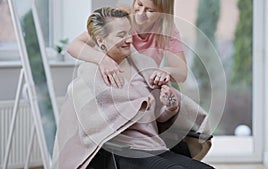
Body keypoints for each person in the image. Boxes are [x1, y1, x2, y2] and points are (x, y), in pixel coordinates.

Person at [52, 7, 213, 169]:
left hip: (154, 146)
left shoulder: (144, 67)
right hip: (125, 151)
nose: (129, 39)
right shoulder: (89, 75)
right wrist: (140, 104)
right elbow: (95, 123)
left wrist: (171, 107)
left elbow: (157, 119)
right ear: (101, 41)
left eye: (129, 33)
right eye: (121, 35)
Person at [67, 0, 187, 88]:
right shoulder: (122, 18)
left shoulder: (167, 30)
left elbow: (182, 73)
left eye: (150, 10)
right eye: (139, 4)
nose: (140, 13)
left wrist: (166, 70)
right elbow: (74, 46)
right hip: (116, 83)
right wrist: (103, 60)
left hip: (143, 87)